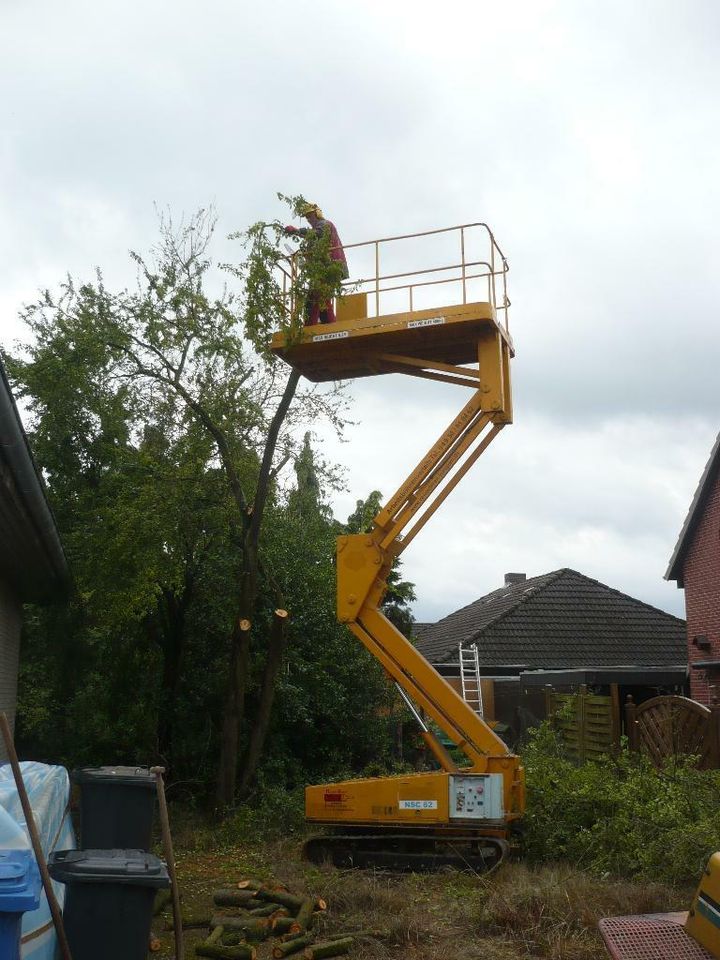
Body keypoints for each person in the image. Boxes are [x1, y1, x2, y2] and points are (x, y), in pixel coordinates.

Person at [284, 202, 348, 325]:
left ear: (317, 213)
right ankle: (328, 326)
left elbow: (317, 234)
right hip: (327, 268)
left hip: (330, 267)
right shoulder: (319, 229)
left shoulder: (325, 224)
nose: (308, 219)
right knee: (321, 299)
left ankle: (310, 327)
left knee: (314, 299)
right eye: (307, 217)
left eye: (310, 216)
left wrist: (297, 231)